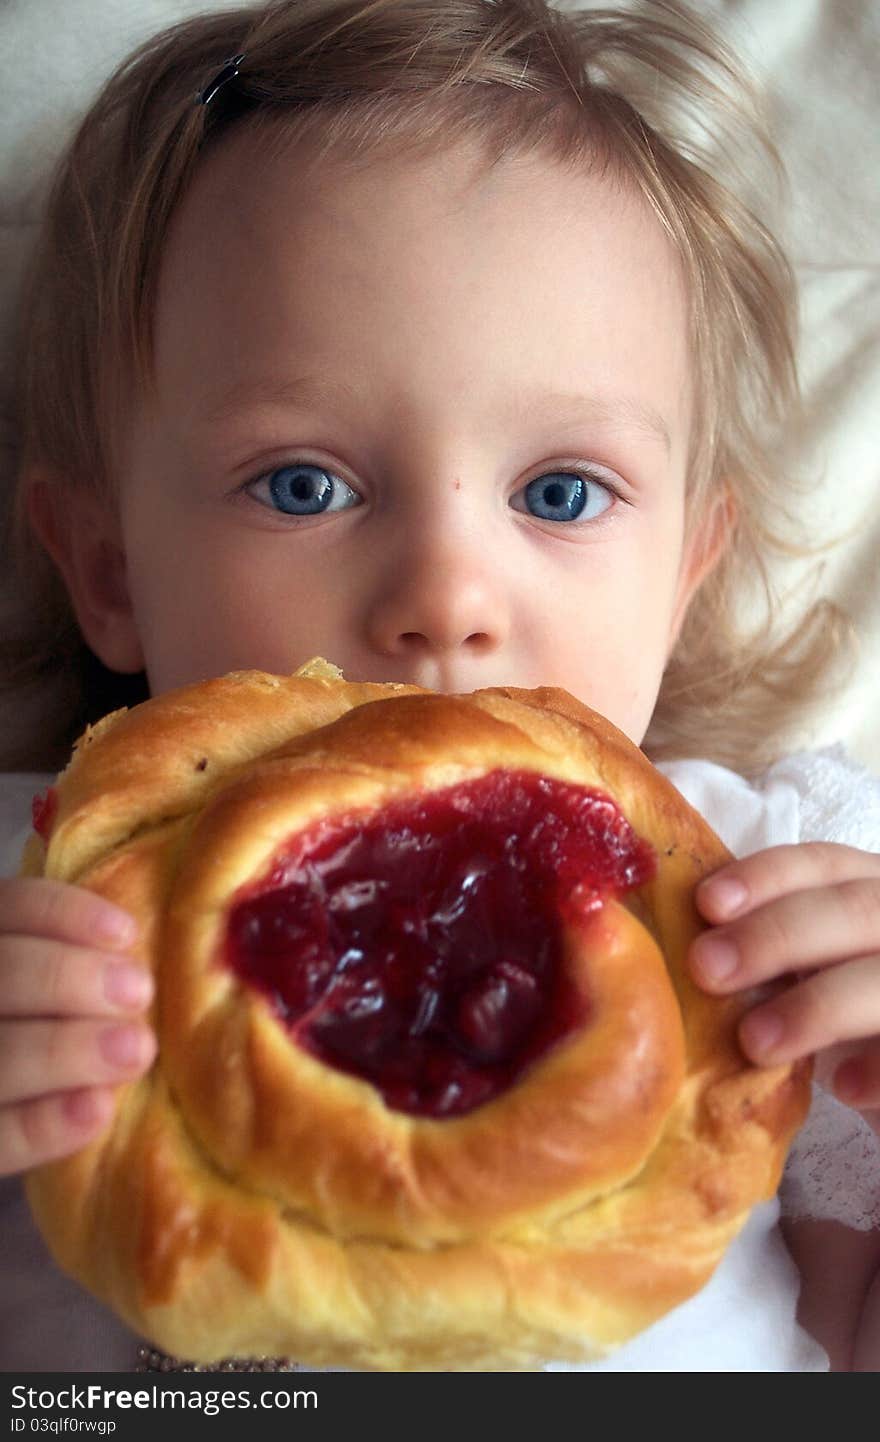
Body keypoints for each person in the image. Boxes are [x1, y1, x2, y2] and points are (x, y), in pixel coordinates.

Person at [0, 0, 878, 1373]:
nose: (449, 599)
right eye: (306, 484)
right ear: (109, 568)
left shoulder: (791, 909)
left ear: (685, 573)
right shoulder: (37, 905)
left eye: (561, 491)